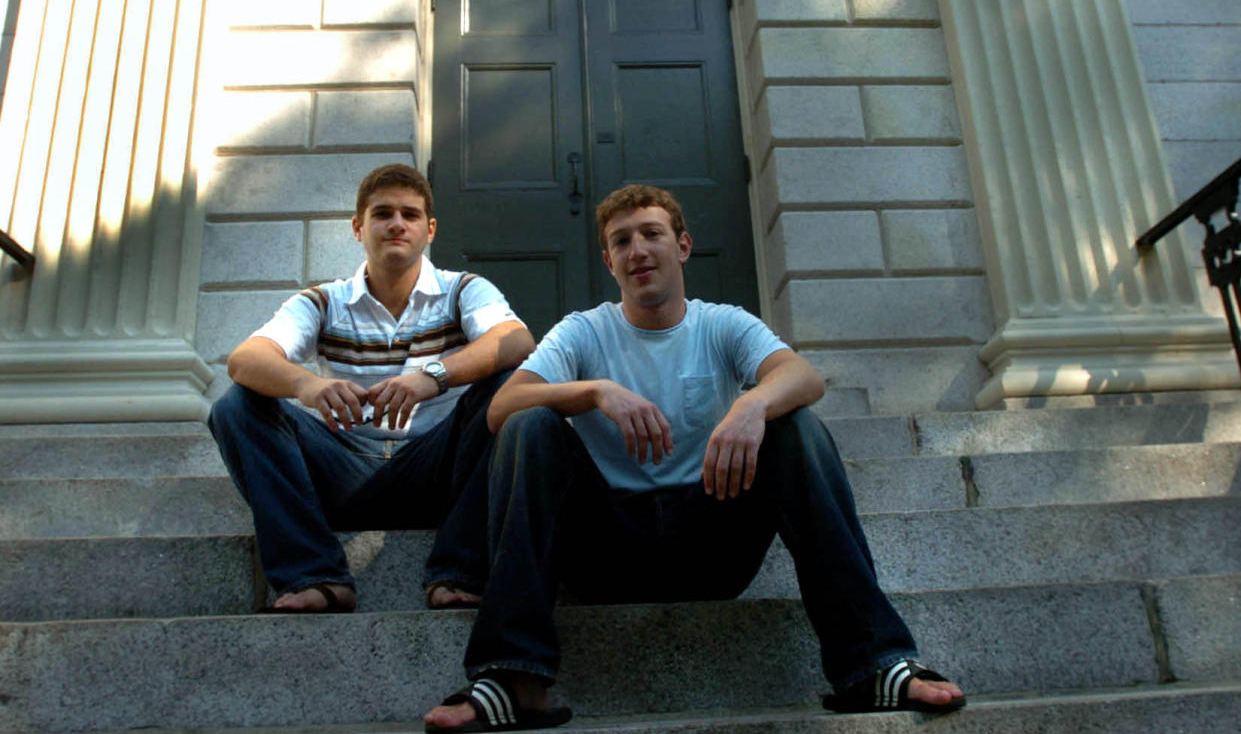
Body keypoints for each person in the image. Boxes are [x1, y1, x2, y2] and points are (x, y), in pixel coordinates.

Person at [423, 184, 965, 731]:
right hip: (605, 551)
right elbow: (503, 406)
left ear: (682, 246)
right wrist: (593, 392)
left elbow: (803, 377)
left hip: (712, 544)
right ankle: (515, 680)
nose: (638, 250)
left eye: (652, 234)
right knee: (530, 424)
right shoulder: (584, 332)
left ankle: (872, 664)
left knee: (795, 425)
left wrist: (752, 404)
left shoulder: (722, 324)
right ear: (609, 261)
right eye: (621, 241)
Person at [209, 163, 533, 613]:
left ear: (430, 229)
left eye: (410, 214)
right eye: (383, 214)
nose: (397, 224)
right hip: (341, 470)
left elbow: (516, 340)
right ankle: (314, 575)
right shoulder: (324, 301)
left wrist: (431, 377)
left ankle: (459, 571)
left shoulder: (462, 290)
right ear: (359, 228)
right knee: (237, 405)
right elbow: (245, 359)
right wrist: (307, 384)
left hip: (435, 471)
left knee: (504, 389)